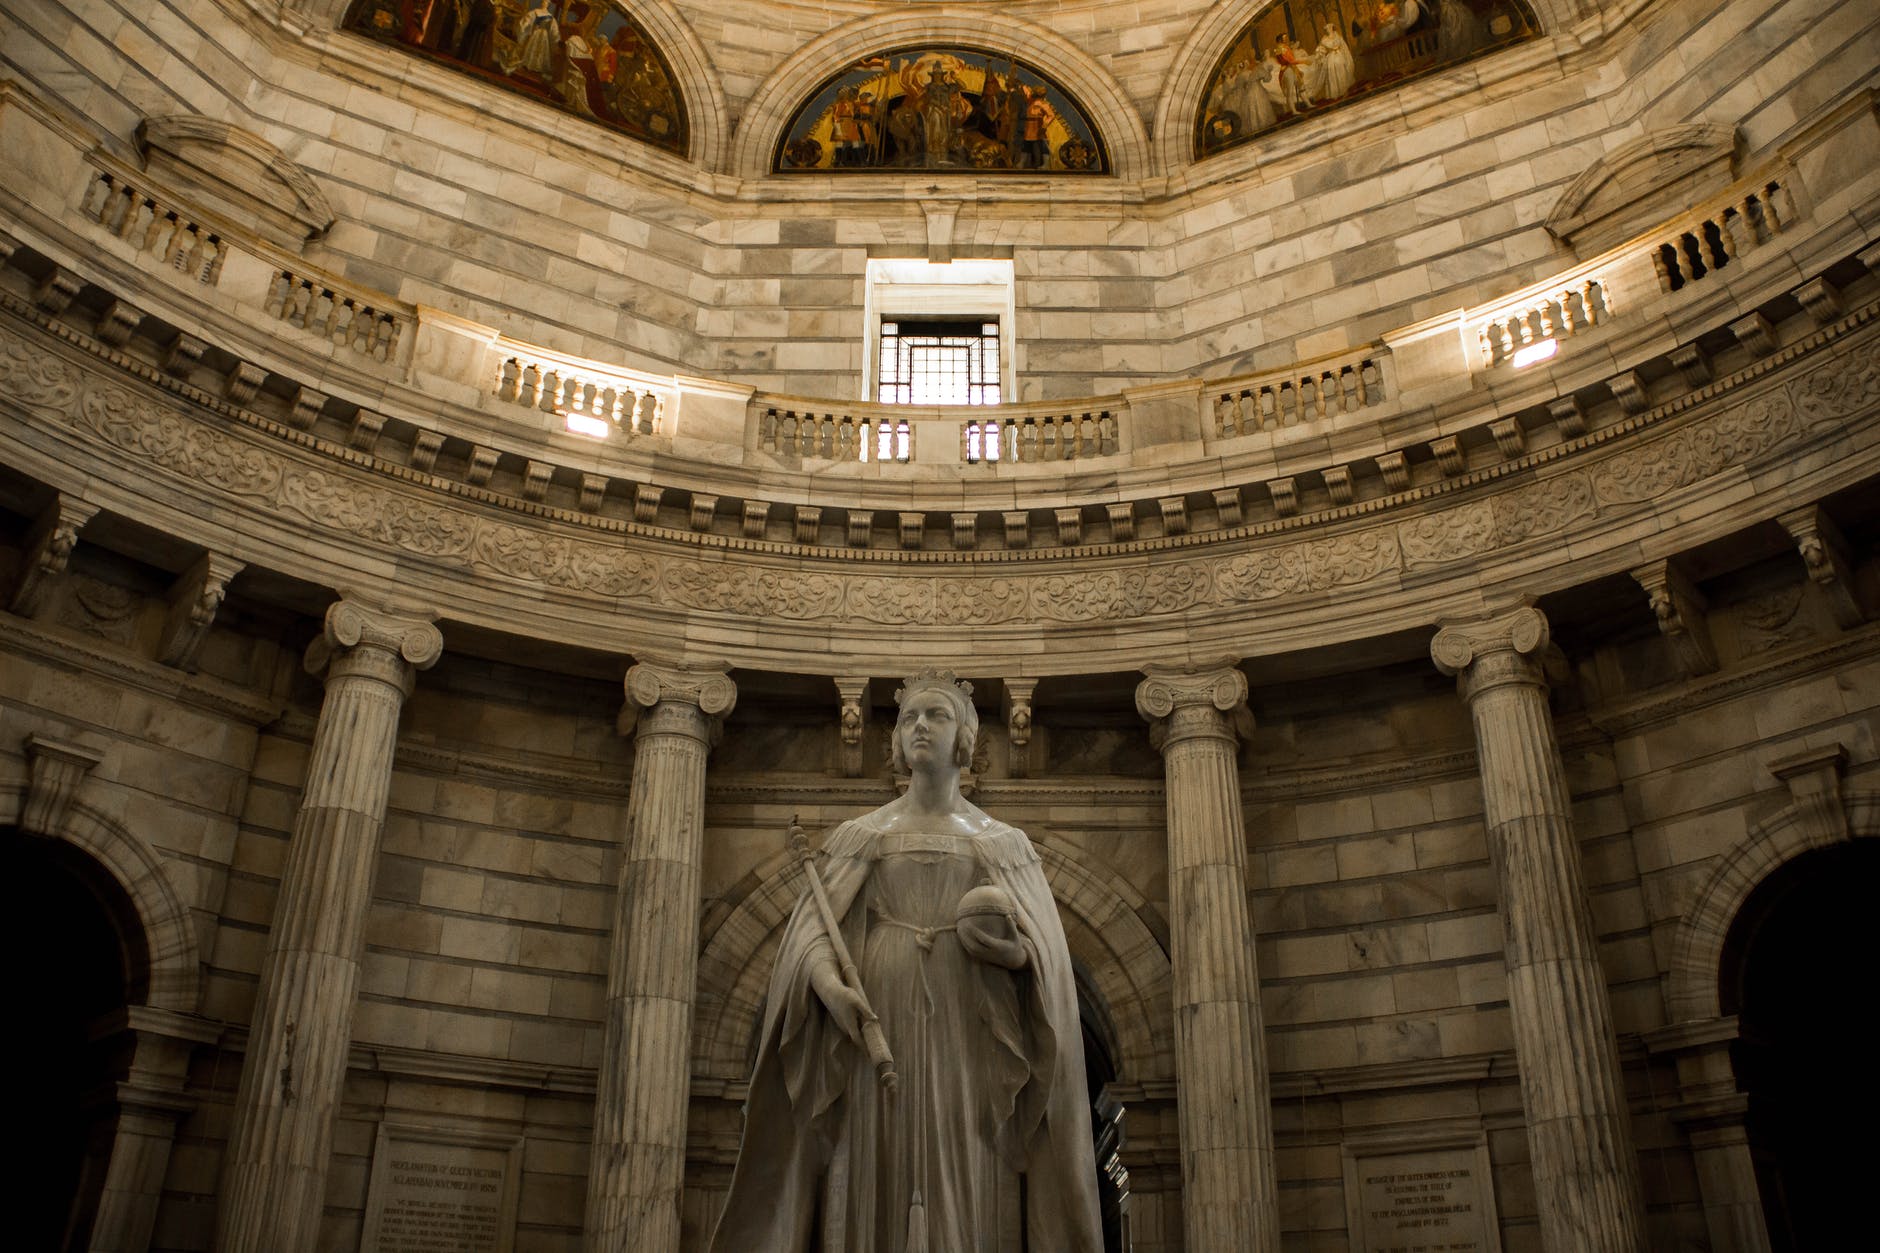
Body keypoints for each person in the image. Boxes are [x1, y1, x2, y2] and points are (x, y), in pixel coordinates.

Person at [708, 672, 1104, 1253]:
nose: (920, 726)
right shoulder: (858, 836)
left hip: (971, 1031)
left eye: (936, 715)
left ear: (964, 739)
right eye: (909, 717)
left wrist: (1018, 955)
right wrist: (831, 989)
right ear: (896, 738)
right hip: (876, 1021)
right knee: (870, 1155)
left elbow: (1045, 955)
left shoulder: (1002, 843)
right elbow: (814, 938)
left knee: (965, 1158)